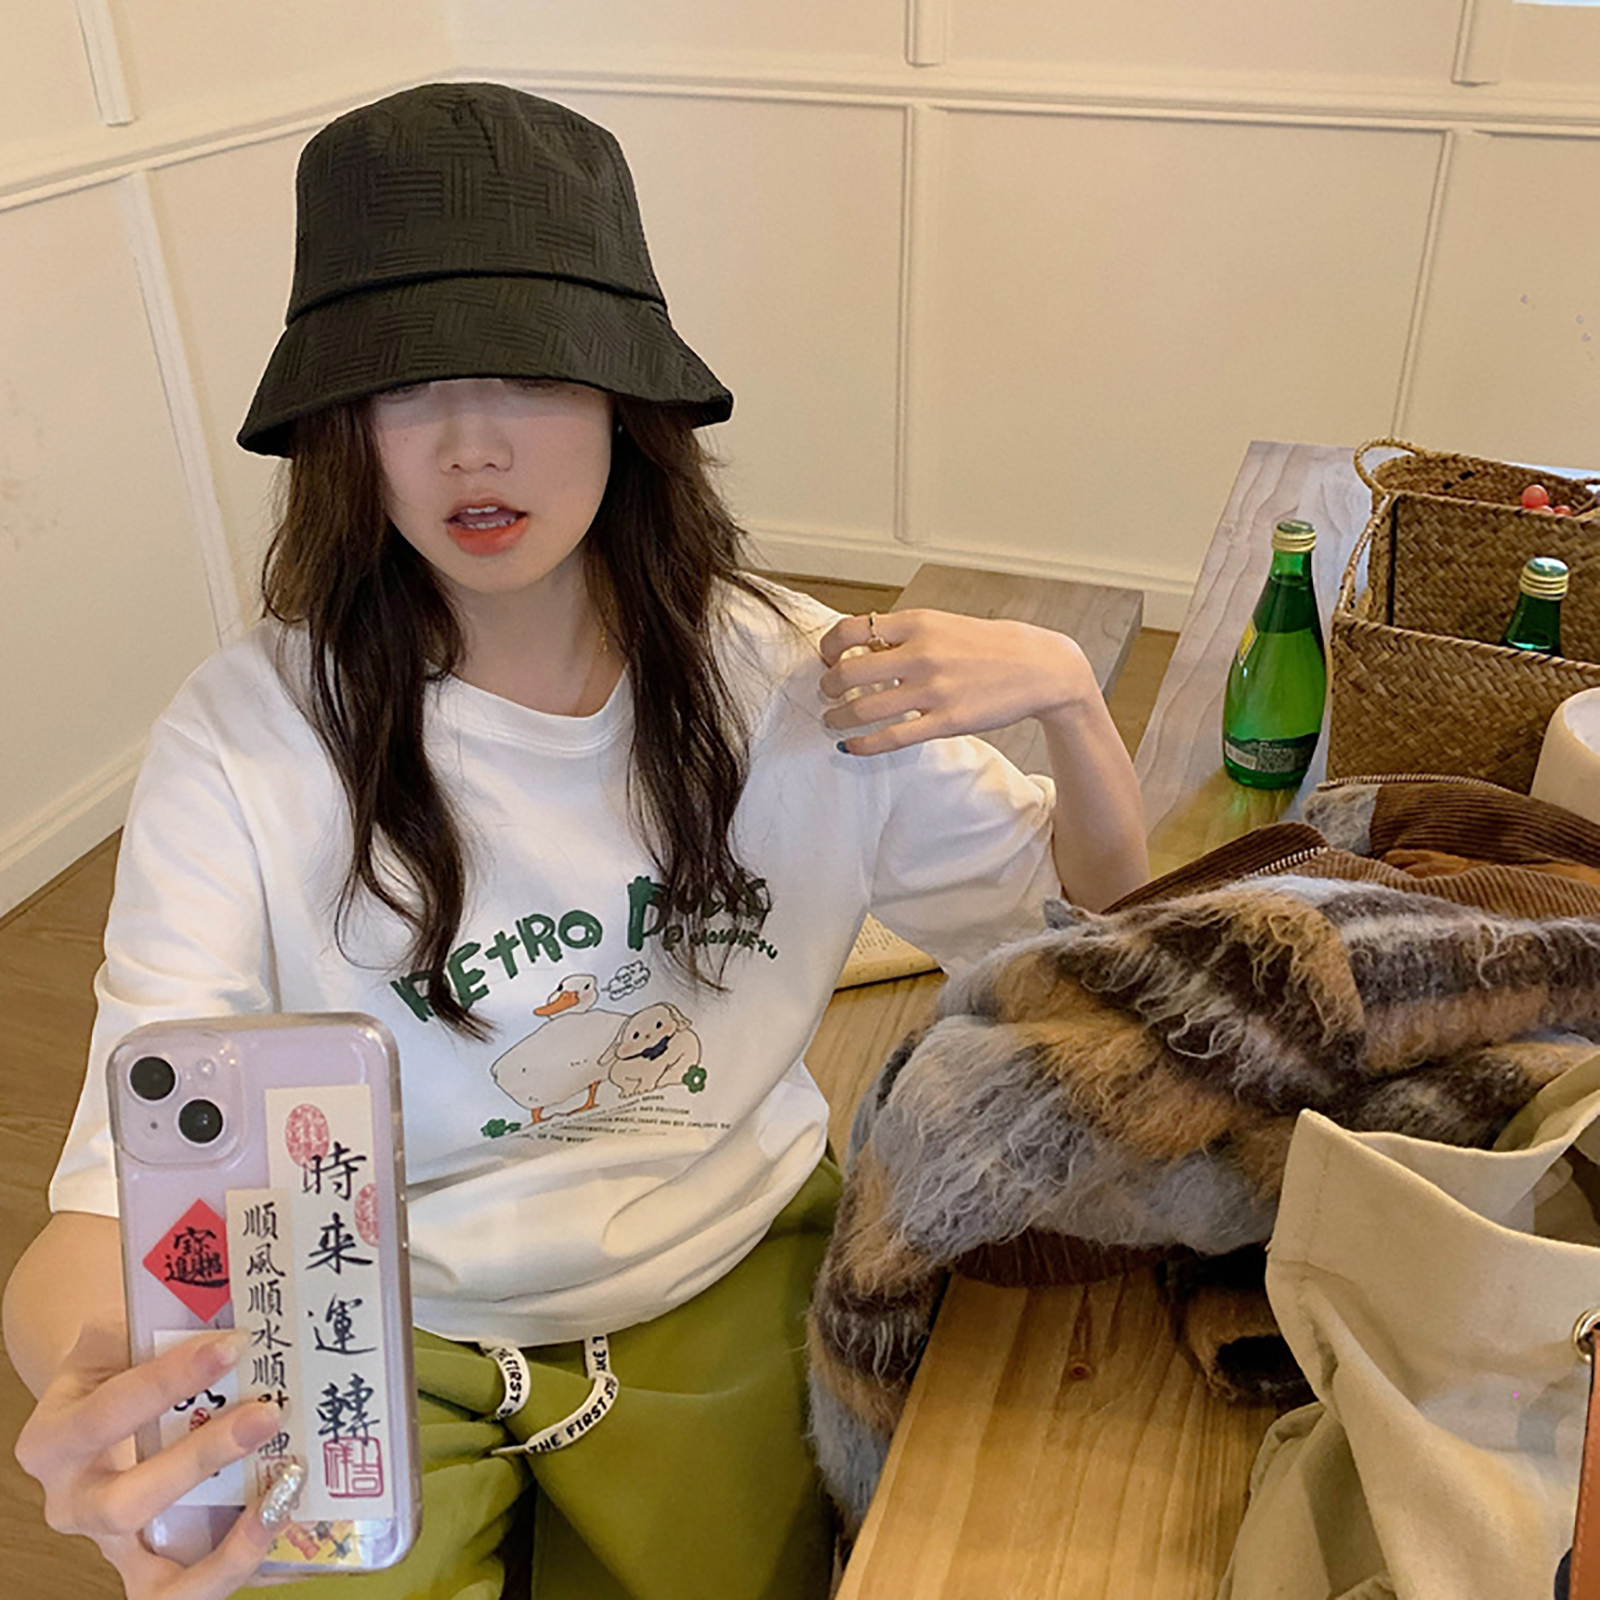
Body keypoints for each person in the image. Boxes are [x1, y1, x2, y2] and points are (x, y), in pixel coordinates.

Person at [3, 82, 1147, 1600]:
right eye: (407, 387)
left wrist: (1071, 703)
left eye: (533, 375)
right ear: (345, 430)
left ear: (623, 398)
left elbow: (1097, 945)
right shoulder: (246, 735)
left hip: (719, 1267)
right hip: (365, 1315)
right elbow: (126, 1166)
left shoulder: (792, 680)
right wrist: (93, 1396)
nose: (472, 445)